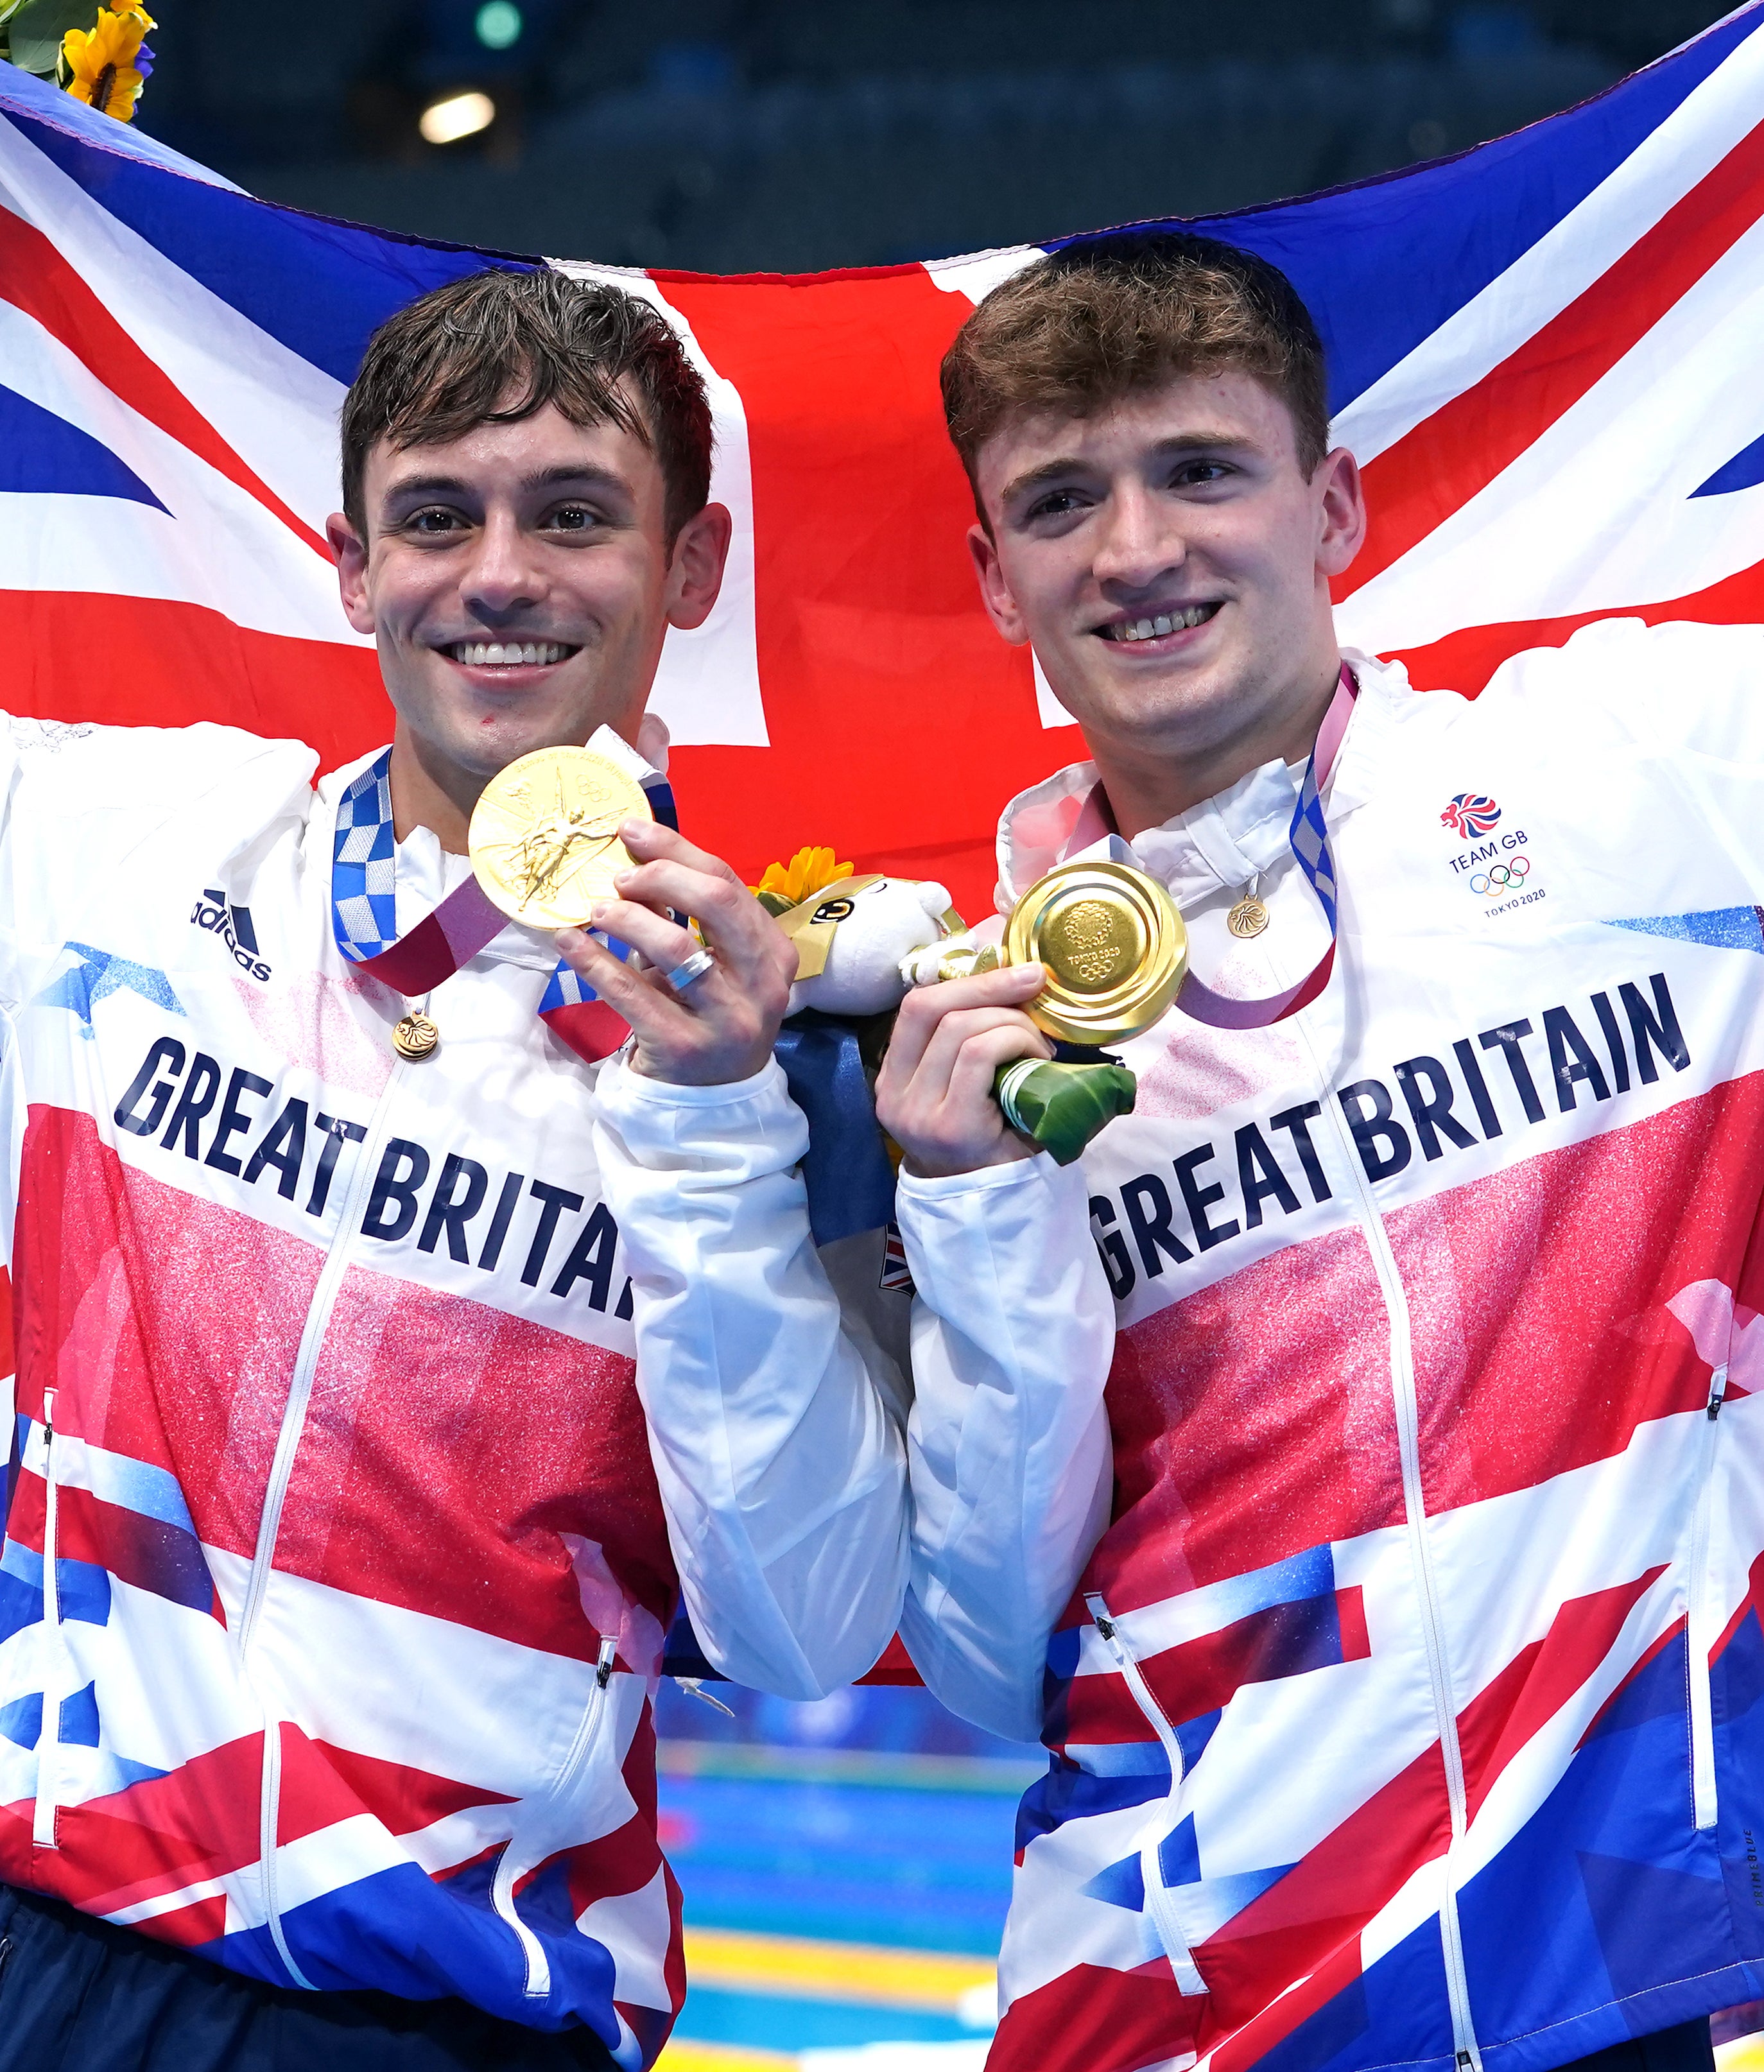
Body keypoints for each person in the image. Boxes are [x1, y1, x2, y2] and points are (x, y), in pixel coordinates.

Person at [0, 266, 910, 2072]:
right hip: (35, 1935)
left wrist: (711, 1113)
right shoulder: (105, 846)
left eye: (573, 515)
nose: (499, 573)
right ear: (349, 563)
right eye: (437, 516)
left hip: (435, 2010)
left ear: (692, 566)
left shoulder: (797, 1040)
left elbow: (804, 1632)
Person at [878, 232, 1764, 2072]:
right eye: (1061, 498)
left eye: (1200, 469)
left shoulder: (1639, 783)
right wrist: (970, 1212)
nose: (1134, 550)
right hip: (1193, 1994)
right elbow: (977, 1646)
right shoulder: (969, 1041)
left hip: (1611, 1946)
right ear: (992, 577)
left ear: (1335, 502)